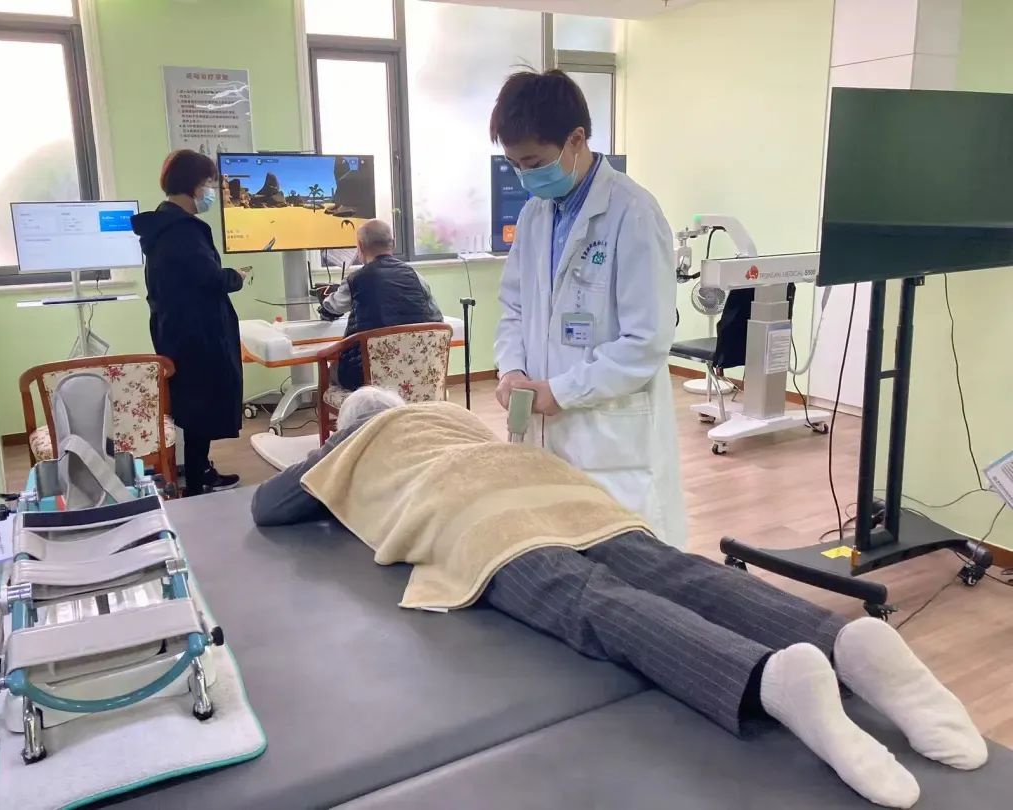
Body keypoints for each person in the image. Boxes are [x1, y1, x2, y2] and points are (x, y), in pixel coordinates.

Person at [252, 391, 986, 810]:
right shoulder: (447, 414)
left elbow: (270, 506)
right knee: (678, 572)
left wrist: (334, 447)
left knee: (590, 601)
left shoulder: (364, 438)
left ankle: (770, 680)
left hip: (471, 514)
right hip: (548, 482)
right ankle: (844, 641)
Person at [489, 69, 686, 549]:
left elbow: (646, 342)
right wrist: (511, 369)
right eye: (514, 164)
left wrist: (563, 391)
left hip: (610, 438)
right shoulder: (536, 214)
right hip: (544, 428)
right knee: (557, 552)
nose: (524, 176)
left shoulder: (633, 213)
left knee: (626, 562)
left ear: (576, 139)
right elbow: (514, 306)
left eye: (533, 162)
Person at [132, 149, 247, 497]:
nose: (212, 191)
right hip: (196, 335)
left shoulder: (163, 225)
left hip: (178, 329)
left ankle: (200, 470)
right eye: (210, 183)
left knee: (196, 404)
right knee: (200, 406)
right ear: (195, 185)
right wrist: (236, 277)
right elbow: (209, 278)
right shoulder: (183, 231)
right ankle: (196, 485)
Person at [318, 220, 443, 391]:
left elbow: (331, 309)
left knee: (331, 370)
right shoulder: (416, 276)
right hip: (414, 371)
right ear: (394, 243)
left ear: (360, 247)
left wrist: (324, 304)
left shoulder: (356, 279)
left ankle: (355, 409)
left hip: (365, 374)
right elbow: (437, 319)